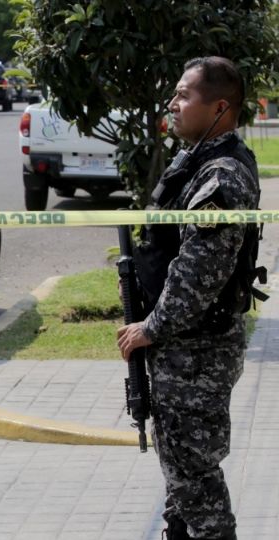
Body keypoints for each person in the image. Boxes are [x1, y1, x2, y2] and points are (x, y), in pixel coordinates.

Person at [117, 56, 260, 540]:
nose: (173, 104)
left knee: (197, 483)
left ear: (220, 107)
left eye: (184, 96)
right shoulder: (196, 160)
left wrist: (150, 327)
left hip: (196, 351)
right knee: (182, 477)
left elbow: (200, 272)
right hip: (185, 347)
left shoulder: (221, 177)